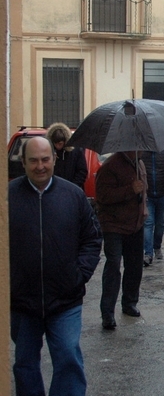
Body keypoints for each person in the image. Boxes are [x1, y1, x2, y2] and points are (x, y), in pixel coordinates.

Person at [9, 137, 103, 395]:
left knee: (68, 358)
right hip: (22, 302)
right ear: (24, 162)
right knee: (25, 364)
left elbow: (92, 238)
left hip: (65, 300)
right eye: (34, 160)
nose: (40, 166)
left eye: (45, 159)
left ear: (53, 159)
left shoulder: (72, 195)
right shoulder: (8, 197)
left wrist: (79, 274)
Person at [96, 150, 148, 329]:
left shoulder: (139, 163)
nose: (142, 149)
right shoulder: (110, 166)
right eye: (139, 145)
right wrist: (129, 190)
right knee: (113, 267)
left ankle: (129, 303)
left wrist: (144, 207)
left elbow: (143, 188)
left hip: (136, 224)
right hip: (114, 226)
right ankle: (107, 313)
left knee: (135, 266)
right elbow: (102, 196)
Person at [46, 122, 88, 190]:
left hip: (72, 188)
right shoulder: (48, 152)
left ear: (65, 141)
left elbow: (82, 171)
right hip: (53, 189)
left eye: (60, 144)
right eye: (55, 144)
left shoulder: (75, 151)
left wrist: (73, 187)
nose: (58, 146)